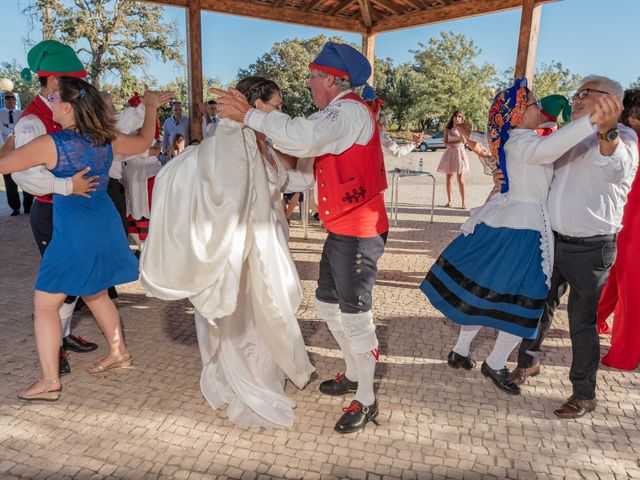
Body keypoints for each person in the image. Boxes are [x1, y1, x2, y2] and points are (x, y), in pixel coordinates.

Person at [215, 41, 388, 434]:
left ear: (330, 79)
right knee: (328, 304)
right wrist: (267, 173)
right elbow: (307, 174)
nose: (308, 83)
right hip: (343, 229)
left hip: (359, 231)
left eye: (312, 76)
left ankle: (366, 398)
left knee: (356, 316)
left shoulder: (348, 112)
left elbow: (304, 136)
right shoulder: (333, 114)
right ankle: (352, 372)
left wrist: (253, 118)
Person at [140, 76, 314, 428]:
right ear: (256, 103)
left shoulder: (258, 141)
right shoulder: (233, 138)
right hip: (249, 249)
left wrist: (312, 153)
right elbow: (230, 197)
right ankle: (250, 385)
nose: (280, 113)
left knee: (268, 315)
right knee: (249, 320)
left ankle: (263, 376)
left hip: (272, 238)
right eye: (276, 106)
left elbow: (286, 181)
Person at [420, 78, 609, 396]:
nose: (539, 108)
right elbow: (552, 147)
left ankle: (462, 350)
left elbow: (547, 146)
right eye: (533, 104)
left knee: (487, 289)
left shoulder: (519, 140)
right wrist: (592, 119)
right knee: (527, 299)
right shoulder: (523, 143)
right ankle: (494, 363)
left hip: (509, 221)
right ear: (518, 115)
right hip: (524, 228)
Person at [0, 77, 171, 401]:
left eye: (53, 99)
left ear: (66, 107)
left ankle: (50, 381)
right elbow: (146, 139)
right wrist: (150, 107)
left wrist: (12, 138)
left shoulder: (53, 144)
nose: (49, 104)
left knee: (45, 305)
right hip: (104, 225)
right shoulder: (104, 140)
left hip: (75, 233)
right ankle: (119, 351)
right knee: (95, 292)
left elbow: (3, 165)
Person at [507, 76, 637, 419]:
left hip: (592, 248)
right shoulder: (569, 134)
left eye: (584, 94)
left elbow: (616, 168)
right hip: (552, 239)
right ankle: (528, 364)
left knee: (582, 322)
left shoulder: (624, 137)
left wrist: (606, 132)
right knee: (539, 306)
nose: (575, 100)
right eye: (576, 94)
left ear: (609, 100)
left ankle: (584, 393)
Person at [11, 40, 101, 375]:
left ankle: (61, 338)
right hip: (50, 211)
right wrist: (66, 186)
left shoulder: (62, 111)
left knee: (74, 282)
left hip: (72, 211)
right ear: (53, 83)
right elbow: (22, 174)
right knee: (60, 284)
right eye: (72, 82)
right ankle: (56, 348)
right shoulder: (30, 122)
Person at [596, 88, 640, 370]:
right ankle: (600, 323)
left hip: (629, 226)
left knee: (625, 287)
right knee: (623, 284)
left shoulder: (626, 141)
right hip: (628, 226)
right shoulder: (627, 141)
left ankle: (622, 350)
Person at [1, 90, 31, 215]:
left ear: (16, 100)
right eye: (7, 98)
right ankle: (15, 208)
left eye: (12, 98)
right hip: (6, 153)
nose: (10, 100)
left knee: (27, 178)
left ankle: (28, 207)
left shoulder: (23, 114)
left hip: (22, 152)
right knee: (10, 183)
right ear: (3, 100)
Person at [437, 110, 470, 209]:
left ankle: (464, 203)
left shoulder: (463, 128)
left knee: (460, 178)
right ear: (453, 117)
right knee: (449, 177)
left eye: (460, 116)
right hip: (449, 153)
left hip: (460, 153)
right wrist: (456, 142)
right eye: (456, 116)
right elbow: (445, 143)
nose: (457, 118)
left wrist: (460, 131)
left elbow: (464, 141)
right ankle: (449, 201)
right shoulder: (448, 129)